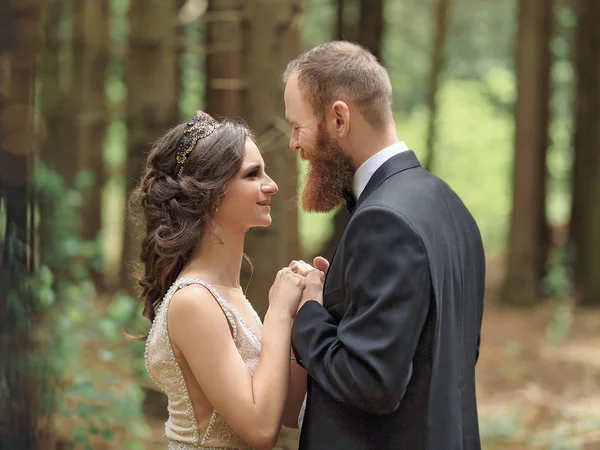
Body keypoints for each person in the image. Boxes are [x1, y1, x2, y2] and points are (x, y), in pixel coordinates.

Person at [283, 41, 486, 449]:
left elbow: (371, 381)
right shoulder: (448, 204)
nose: (293, 143)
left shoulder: (384, 220)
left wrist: (308, 312)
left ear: (339, 118)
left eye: (297, 125)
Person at [135, 110, 318, 450]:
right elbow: (261, 430)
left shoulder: (228, 294)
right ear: (212, 194)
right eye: (253, 174)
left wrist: (305, 309)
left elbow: (290, 410)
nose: (272, 185)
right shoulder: (194, 302)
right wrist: (278, 311)